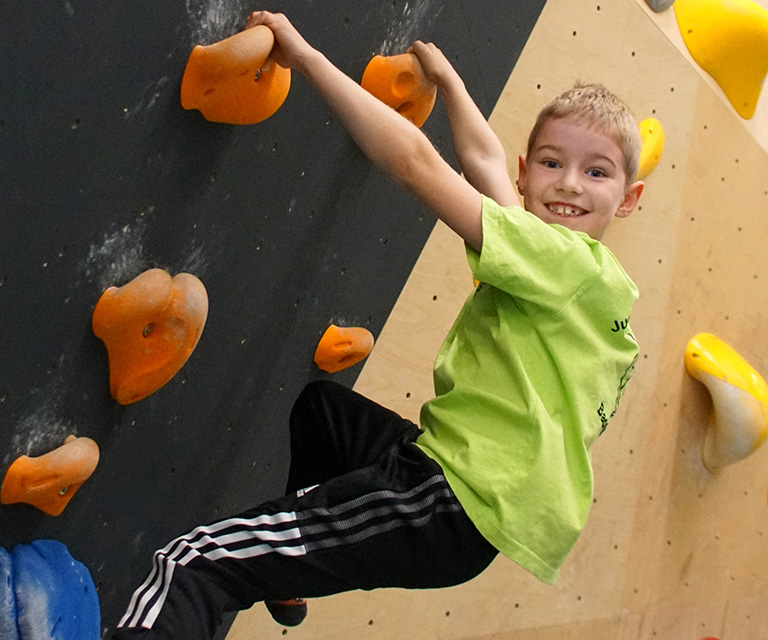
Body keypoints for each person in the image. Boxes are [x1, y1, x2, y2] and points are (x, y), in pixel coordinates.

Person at [114, 11, 644, 639]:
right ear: (530, 173)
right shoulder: (575, 277)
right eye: (553, 164)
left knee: (195, 563)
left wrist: (307, 57)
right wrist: (450, 84)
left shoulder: (566, 263)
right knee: (322, 415)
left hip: (449, 500)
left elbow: (418, 164)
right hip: (470, 501)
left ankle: (267, 567)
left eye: (597, 172)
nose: (570, 186)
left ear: (630, 198)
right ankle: (288, 574)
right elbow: (486, 162)